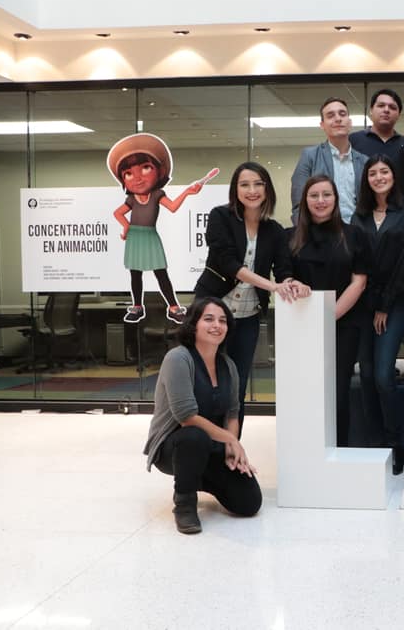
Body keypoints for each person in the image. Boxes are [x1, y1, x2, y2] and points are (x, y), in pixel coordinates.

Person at [194, 162, 310, 434]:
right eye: (244, 184)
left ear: (267, 189)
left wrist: (292, 283)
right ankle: (204, 446)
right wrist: (272, 286)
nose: (252, 190)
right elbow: (227, 263)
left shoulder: (275, 230)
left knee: (238, 383)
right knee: (206, 380)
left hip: (246, 318)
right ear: (235, 190)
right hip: (212, 313)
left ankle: (232, 447)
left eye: (258, 183)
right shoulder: (220, 216)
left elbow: (283, 270)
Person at [143, 297, 262, 534]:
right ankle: (184, 504)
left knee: (249, 502)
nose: (216, 325)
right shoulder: (178, 358)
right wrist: (231, 440)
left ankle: (197, 475)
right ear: (193, 324)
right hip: (173, 446)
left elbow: (233, 412)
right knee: (194, 436)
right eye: (208, 319)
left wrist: (231, 447)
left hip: (210, 446)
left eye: (222, 320)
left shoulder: (228, 365)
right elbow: (186, 416)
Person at [290, 175, 370, 447]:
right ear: (305, 201)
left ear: (336, 199)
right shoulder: (291, 238)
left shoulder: (354, 234)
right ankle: (306, 450)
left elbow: (359, 281)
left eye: (327, 195)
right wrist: (293, 284)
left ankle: (338, 450)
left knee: (337, 391)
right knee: (306, 391)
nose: (321, 201)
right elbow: (285, 278)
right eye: (314, 195)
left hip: (344, 324)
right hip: (301, 327)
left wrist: (327, 317)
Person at [350, 155, 404, 458]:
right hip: (361, 304)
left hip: (391, 303)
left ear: (394, 176)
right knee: (365, 374)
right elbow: (356, 260)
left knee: (382, 375)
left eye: (385, 171)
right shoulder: (361, 215)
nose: (379, 177)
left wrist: (383, 305)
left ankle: (396, 442)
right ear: (366, 179)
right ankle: (375, 442)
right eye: (373, 173)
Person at [107, 132, 205, 324]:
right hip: (135, 237)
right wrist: (127, 227)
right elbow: (117, 213)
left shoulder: (158, 194)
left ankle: (173, 307)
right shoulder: (131, 199)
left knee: (161, 272)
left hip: (150, 237)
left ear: (159, 172)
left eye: (145, 168)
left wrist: (187, 191)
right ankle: (137, 306)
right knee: (135, 274)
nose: (137, 178)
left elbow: (173, 207)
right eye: (128, 173)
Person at [289, 97, 369, 223]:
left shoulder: (364, 162)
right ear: (322, 125)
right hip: (319, 233)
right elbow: (299, 204)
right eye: (330, 115)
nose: (338, 118)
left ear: (350, 122)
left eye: (342, 114)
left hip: (357, 235)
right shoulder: (309, 156)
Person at [350, 88, 404, 161]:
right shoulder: (353, 140)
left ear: (399, 115)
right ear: (371, 110)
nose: (386, 110)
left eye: (392, 107)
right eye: (381, 105)